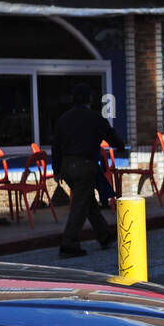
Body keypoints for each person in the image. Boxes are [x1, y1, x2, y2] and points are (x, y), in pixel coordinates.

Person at [52, 84, 123, 257]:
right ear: (89, 99)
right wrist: (120, 146)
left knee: (87, 201)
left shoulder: (63, 119)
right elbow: (111, 136)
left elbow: (55, 146)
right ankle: (69, 244)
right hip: (84, 166)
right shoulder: (94, 118)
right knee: (80, 205)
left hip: (66, 166)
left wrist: (56, 170)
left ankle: (104, 235)